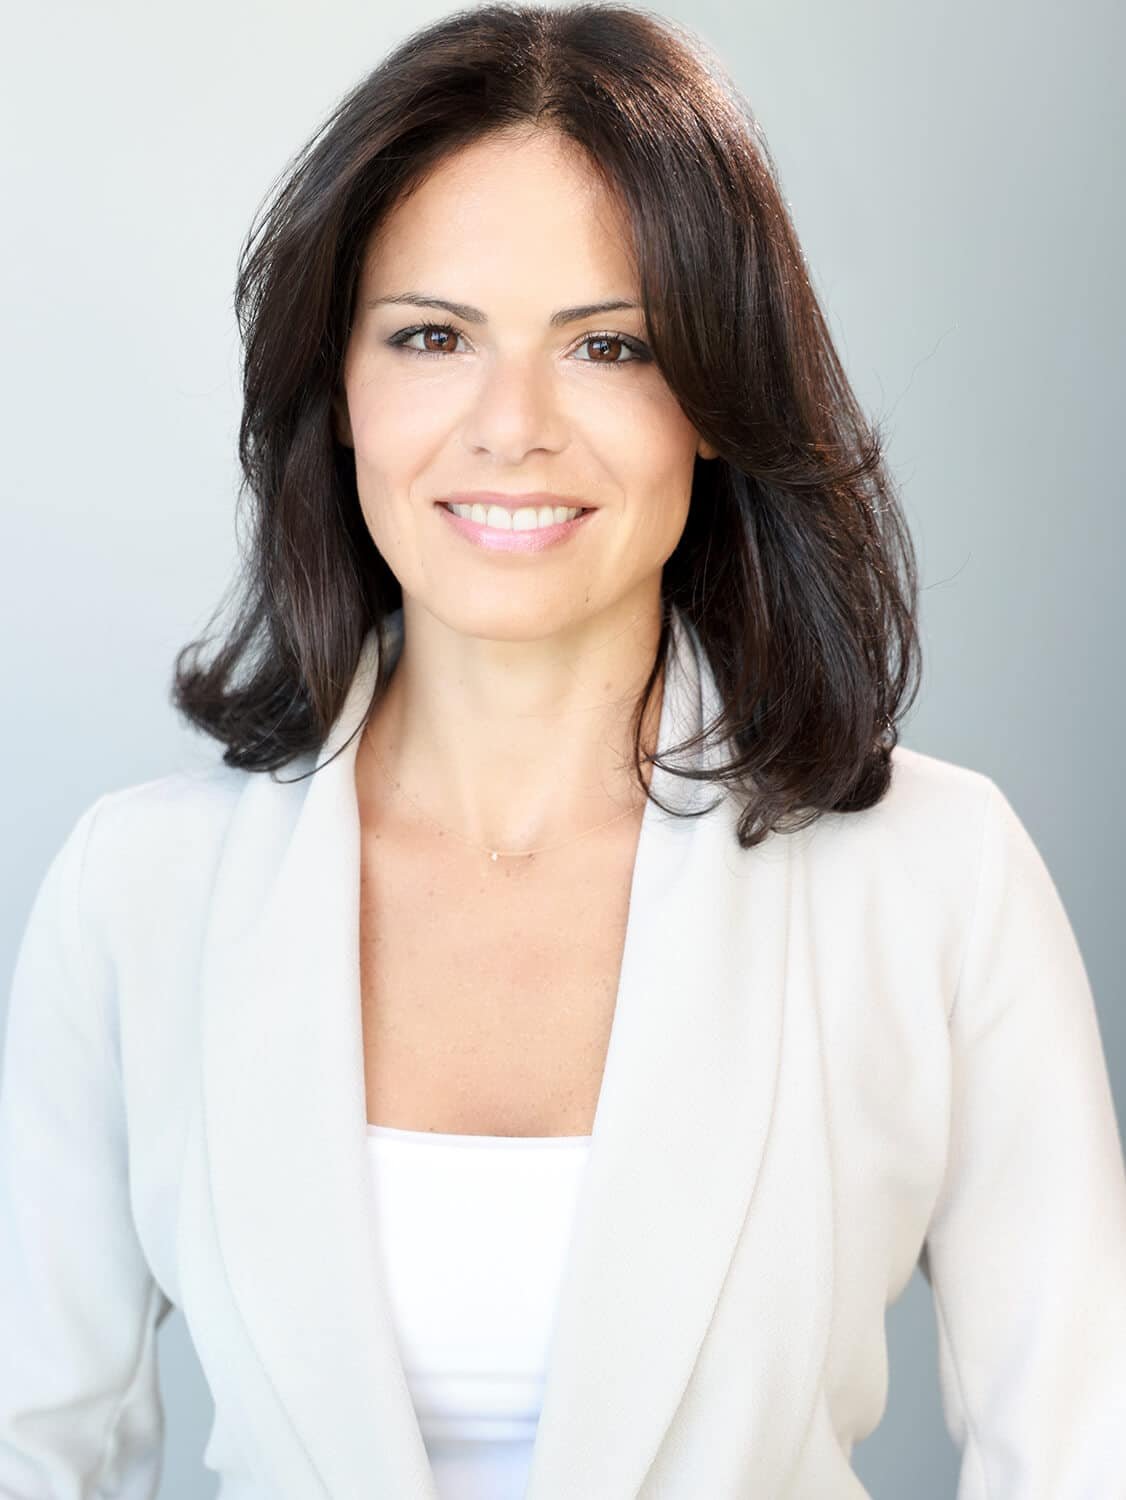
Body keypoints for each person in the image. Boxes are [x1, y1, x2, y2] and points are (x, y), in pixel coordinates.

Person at [3, 5, 1125, 1499]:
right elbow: (30, 1442)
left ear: (716, 397)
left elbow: (1082, 1449)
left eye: (608, 345)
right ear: (338, 391)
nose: (513, 427)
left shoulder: (938, 881)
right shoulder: (138, 893)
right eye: (431, 336)